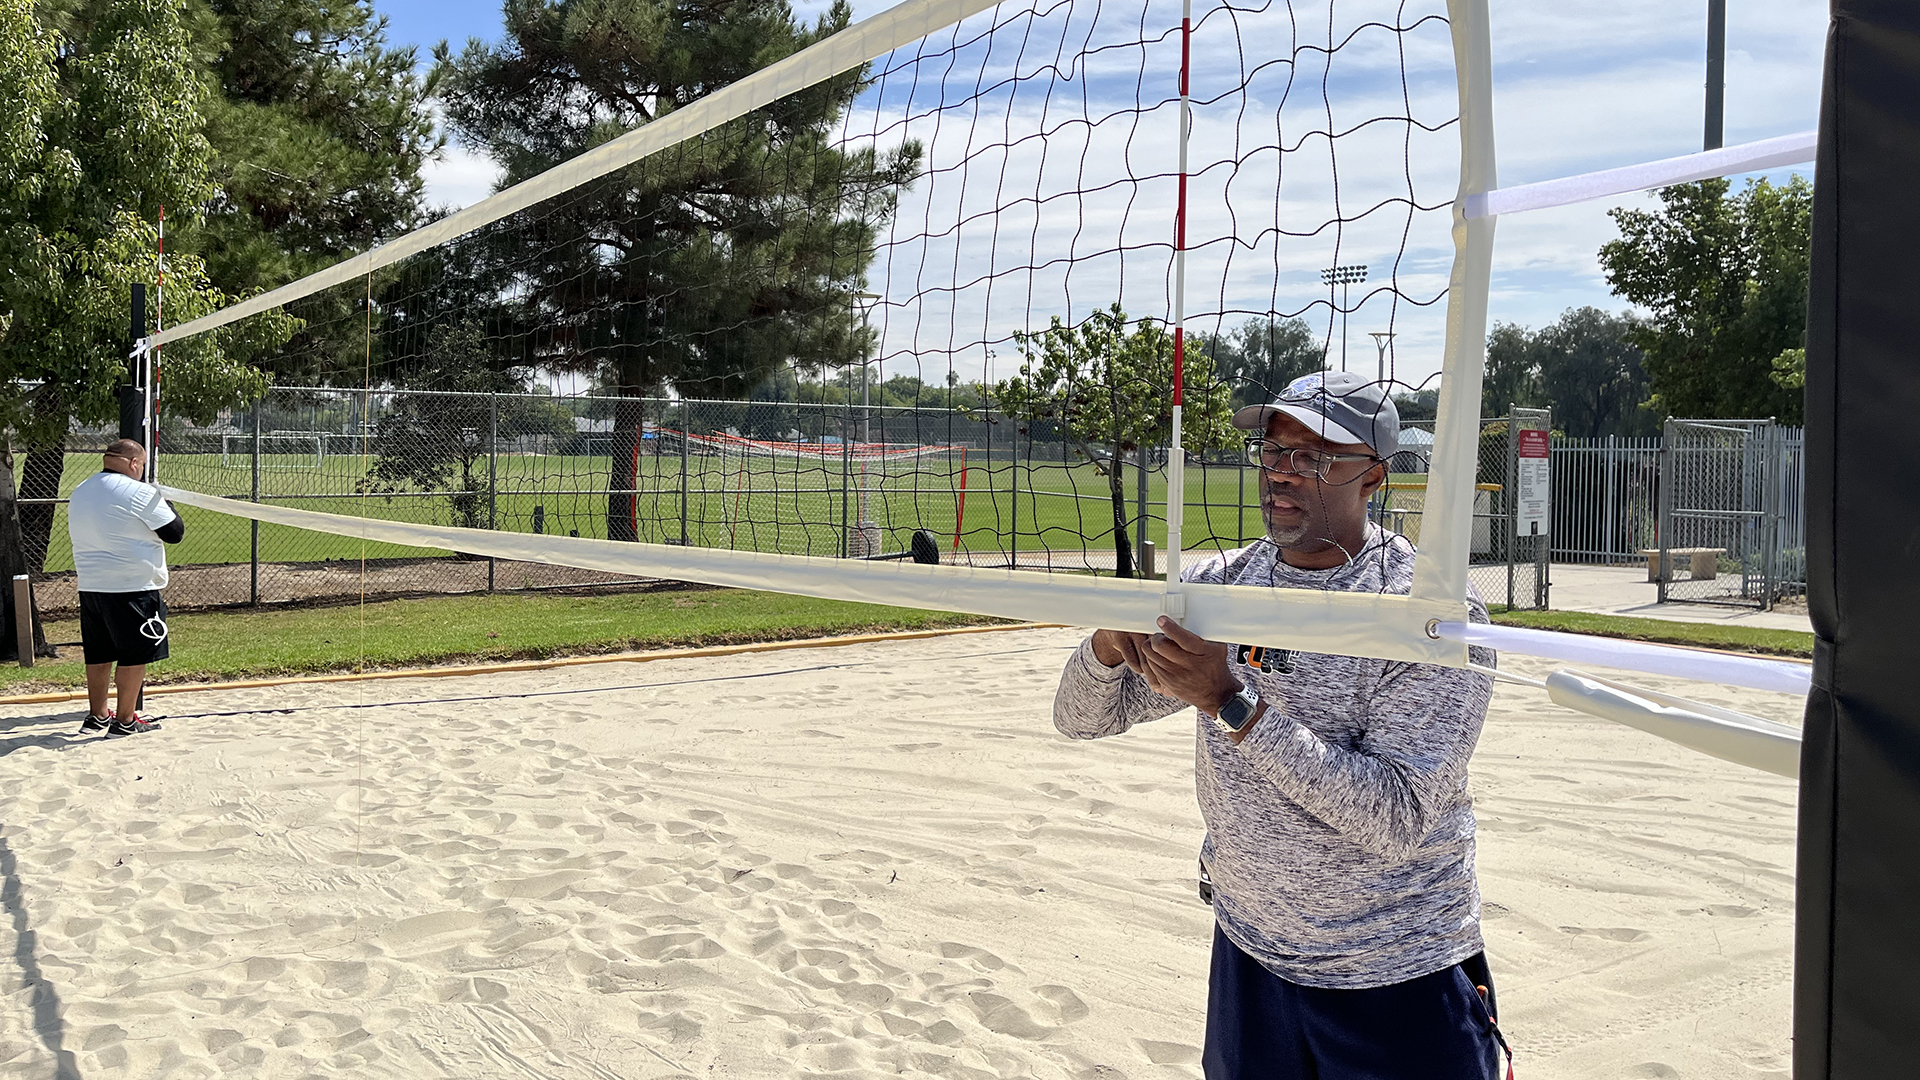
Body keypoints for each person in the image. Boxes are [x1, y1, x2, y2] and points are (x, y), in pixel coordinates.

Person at [1051, 371, 1505, 1079]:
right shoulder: (1220, 588)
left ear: (1374, 478)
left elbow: (1395, 816)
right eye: (1273, 451)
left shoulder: (1426, 612)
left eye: (1315, 456)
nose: (1283, 473)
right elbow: (1080, 719)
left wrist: (1233, 703)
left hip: (1394, 973)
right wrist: (1108, 644)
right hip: (1251, 957)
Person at [66, 439, 181, 737]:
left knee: (99, 653)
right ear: (134, 464)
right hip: (132, 586)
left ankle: (97, 716)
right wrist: (164, 502)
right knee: (136, 654)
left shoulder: (81, 490)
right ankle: (126, 720)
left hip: (92, 586)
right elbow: (174, 532)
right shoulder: (139, 491)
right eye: (141, 465)